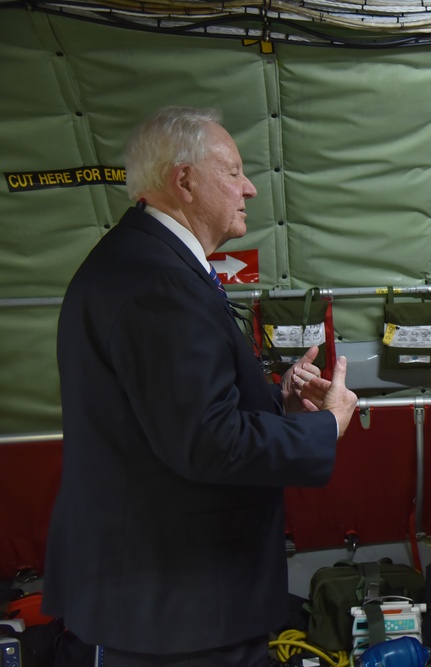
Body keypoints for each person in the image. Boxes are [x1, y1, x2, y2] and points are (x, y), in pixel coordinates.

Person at [42, 106, 358, 666]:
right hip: (179, 606)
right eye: (233, 171)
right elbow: (207, 440)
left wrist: (276, 399)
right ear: (183, 181)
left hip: (162, 595)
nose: (251, 189)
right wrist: (323, 426)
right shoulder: (157, 282)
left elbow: (169, 413)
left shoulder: (142, 262)